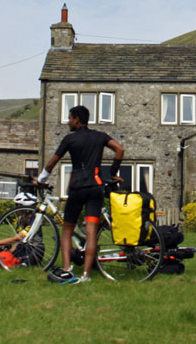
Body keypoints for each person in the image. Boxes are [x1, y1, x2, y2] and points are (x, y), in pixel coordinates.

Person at [35, 104, 124, 284]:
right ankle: (86, 275)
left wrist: (41, 179)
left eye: (69, 118)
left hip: (77, 187)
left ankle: (67, 270)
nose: (68, 122)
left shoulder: (70, 139)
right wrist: (114, 172)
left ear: (77, 119)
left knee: (67, 230)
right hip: (95, 187)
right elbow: (119, 150)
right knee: (91, 232)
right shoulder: (100, 136)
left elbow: (51, 164)